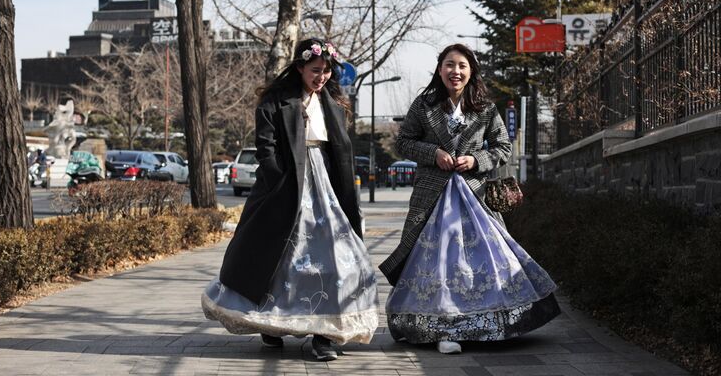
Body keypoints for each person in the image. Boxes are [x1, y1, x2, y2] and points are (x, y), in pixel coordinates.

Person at [202, 38, 379, 362]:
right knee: (281, 257)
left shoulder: (333, 103)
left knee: (335, 258)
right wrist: (278, 178)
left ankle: (325, 333)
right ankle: (272, 322)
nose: (321, 77)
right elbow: (265, 146)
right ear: (299, 68)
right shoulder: (275, 101)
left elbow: (340, 151)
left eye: (326, 71)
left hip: (326, 186)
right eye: (315, 70)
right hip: (286, 186)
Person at [379, 43, 560, 355]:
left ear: (471, 71)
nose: (456, 71)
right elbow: (403, 143)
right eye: (450, 65)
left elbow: (504, 147)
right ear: (439, 69)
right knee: (440, 265)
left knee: (482, 263)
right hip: (432, 199)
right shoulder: (424, 105)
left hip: (476, 198)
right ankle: (441, 327)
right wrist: (433, 153)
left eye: (462, 65)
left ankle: (485, 324)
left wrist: (476, 161)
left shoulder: (486, 108)